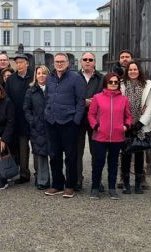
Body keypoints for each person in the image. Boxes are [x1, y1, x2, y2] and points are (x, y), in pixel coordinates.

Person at [44, 53, 86, 198]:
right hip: (52, 122)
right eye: (57, 61)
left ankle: (70, 185)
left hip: (69, 123)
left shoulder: (76, 78)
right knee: (54, 155)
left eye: (62, 61)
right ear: (53, 63)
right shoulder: (50, 78)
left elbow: (81, 101)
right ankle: (57, 184)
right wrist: (47, 113)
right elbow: (47, 98)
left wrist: (76, 121)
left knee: (70, 156)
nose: (59, 64)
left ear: (68, 63)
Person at [87, 73, 132, 200]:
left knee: (113, 163)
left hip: (117, 137)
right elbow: (91, 115)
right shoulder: (97, 97)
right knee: (98, 163)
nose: (113, 84)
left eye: (115, 82)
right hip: (100, 137)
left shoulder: (124, 99)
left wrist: (126, 126)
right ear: (106, 83)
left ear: (118, 84)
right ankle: (95, 187)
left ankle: (112, 188)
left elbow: (128, 116)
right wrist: (96, 127)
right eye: (110, 82)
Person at [120, 61, 151, 194]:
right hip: (125, 124)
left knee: (139, 153)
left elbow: (150, 105)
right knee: (125, 153)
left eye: (135, 69)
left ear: (139, 71)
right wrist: (126, 123)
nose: (133, 71)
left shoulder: (147, 85)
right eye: (130, 69)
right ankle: (125, 183)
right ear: (127, 71)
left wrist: (141, 123)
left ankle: (138, 183)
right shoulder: (122, 84)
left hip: (140, 125)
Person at [77, 52, 103, 192]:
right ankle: (77, 180)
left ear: (95, 62)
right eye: (85, 59)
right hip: (78, 119)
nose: (87, 61)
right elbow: (71, 95)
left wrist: (92, 103)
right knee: (77, 151)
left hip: (96, 120)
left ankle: (97, 181)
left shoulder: (101, 78)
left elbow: (105, 96)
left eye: (90, 59)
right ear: (81, 62)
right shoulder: (74, 77)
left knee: (96, 151)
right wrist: (85, 102)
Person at [5, 53, 33, 185]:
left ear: (27, 63)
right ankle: (23, 173)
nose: (19, 64)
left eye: (21, 62)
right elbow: (7, 99)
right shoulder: (11, 79)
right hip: (17, 118)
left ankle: (41, 174)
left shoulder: (34, 76)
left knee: (38, 147)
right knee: (20, 147)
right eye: (17, 62)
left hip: (33, 118)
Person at [24, 65, 51, 190]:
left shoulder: (53, 89)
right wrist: (32, 121)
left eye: (44, 73)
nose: (41, 75)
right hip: (38, 126)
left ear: (48, 75)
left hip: (52, 125)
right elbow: (26, 108)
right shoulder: (31, 90)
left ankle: (57, 179)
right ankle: (43, 180)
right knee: (41, 154)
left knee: (55, 154)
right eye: (39, 73)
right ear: (36, 75)